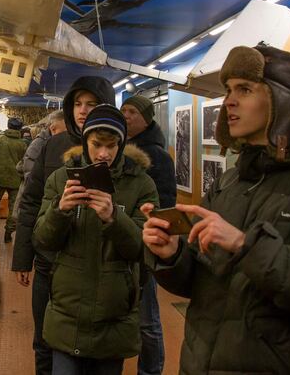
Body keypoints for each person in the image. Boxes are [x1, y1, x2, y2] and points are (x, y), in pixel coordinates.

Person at [142, 44, 290, 374]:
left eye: (245, 89)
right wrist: (172, 255)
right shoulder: (229, 183)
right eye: (228, 90)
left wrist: (246, 246)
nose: (229, 101)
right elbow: (201, 283)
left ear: (281, 99)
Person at [33, 104, 159, 374]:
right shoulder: (60, 179)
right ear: (85, 141)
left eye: (112, 145)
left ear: (122, 144)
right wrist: (60, 210)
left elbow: (143, 249)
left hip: (113, 316)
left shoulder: (141, 185)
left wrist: (114, 218)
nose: (104, 153)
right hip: (67, 312)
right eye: (97, 144)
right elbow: (42, 240)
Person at [12, 76, 117, 375]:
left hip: (98, 266)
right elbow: (31, 201)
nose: (83, 111)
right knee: (44, 342)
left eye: (92, 104)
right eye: (78, 104)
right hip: (49, 263)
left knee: (92, 350)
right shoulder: (54, 145)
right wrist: (23, 257)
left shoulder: (116, 151)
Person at [120, 95, 175, 375]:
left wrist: (151, 235)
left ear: (147, 117)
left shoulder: (157, 156)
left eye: (132, 111)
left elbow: (165, 204)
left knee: (147, 319)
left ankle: (151, 371)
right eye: (124, 111)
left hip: (146, 245)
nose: (126, 115)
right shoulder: (119, 149)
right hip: (123, 241)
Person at [0, 117, 27, 243]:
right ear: (20, 128)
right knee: (13, 209)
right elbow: (25, 162)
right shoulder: (23, 144)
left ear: (8, 126)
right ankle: (8, 233)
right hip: (16, 180)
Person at [15, 110, 66, 212]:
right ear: (53, 129)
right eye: (64, 131)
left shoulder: (52, 143)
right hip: (35, 203)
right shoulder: (39, 144)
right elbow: (31, 175)